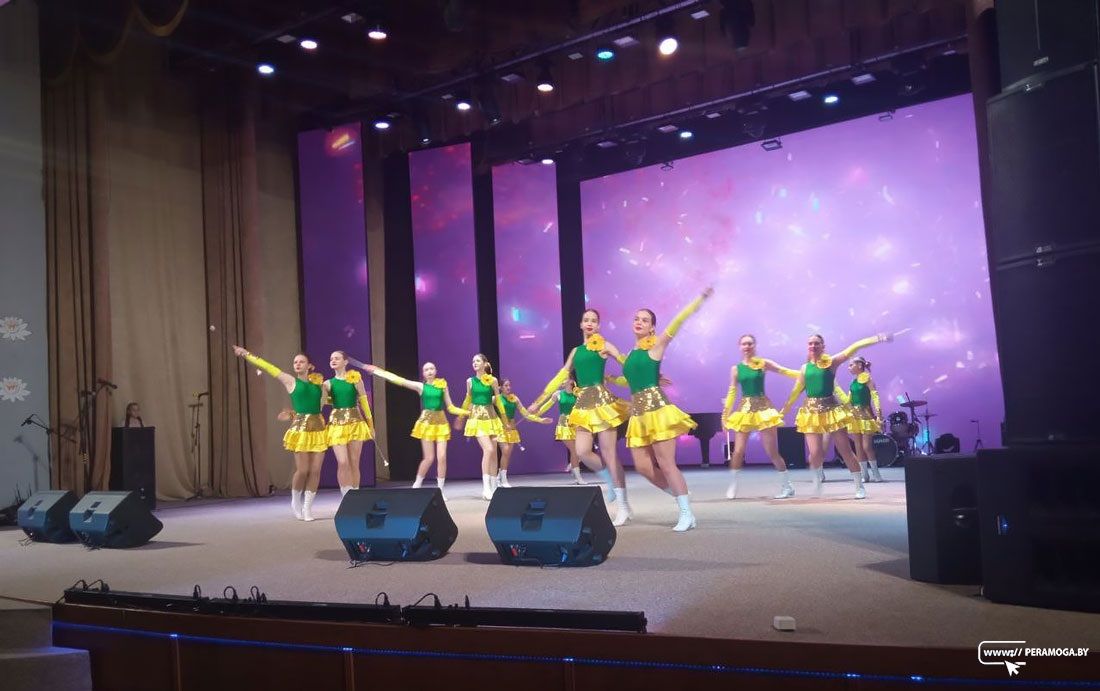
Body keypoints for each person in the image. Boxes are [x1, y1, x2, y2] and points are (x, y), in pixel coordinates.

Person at [602, 287, 714, 531]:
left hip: (658, 411)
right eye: (636, 318)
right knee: (642, 467)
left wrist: (700, 299)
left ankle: (686, 513)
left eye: (645, 320)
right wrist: (611, 378)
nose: (639, 322)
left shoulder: (657, 346)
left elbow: (678, 320)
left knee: (666, 464)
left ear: (652, 327)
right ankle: (681, 496)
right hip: (638, 415)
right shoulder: (631, 354)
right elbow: (630, 379)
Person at [528, 309, 630, 524]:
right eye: (586, 320)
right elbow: (561, 376)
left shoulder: (604, 345)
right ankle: (609, 481)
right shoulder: (576, 351)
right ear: (581, 324)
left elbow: (626, 363)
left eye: (594, 321)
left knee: (609, 454)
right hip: (583, 404)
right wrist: (539, 401)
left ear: (598, 326)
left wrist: (643, 375)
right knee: (582, 452)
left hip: (602, 402)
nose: (590, 323)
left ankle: (623, 506)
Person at [779, 333, 893, 498]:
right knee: (815, 453)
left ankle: (859, 486)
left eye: (816, 343)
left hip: (832, 411)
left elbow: (854, 347)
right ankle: (817, 483)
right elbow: (795, 392)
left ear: (823, 346)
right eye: (810, 343)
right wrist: (783, 412)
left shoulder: (831, 363)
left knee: (845, 450)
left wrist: (878, 339)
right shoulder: (804, 368)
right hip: (811, 414)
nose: (813, 346)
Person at [233, 346, 327, 520]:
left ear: (310, 366)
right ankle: (295, 501)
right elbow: (269, 367)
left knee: (315, 471)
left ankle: (307, 508)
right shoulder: (291, 381)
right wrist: (246, 354)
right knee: (303, 470)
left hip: (319, 429)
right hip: (300, 430)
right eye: (295, 362)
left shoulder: (319, 384)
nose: (297, 364)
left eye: (301, 362)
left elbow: (325, 402)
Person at [365, 362, 468, 500]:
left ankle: (440, 490)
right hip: (426, 424)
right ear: (423, 373)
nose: (429, 371)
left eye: (432, 368)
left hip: (441, 424)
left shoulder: (443, 385)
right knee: (429, 458)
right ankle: (417, 484)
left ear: (436, 370)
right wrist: (378, 371)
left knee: (442, 457)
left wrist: (466, 412)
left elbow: (450, 407)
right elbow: (400, 380)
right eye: (426, 369)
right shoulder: (421, 386)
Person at [720, 334, 801, 500]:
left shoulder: (764, 363)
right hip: (745, 411)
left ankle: (787, 486)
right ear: (740, 347)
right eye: (744, 344)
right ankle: (733, 483)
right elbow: (732, 392)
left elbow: (785, 371)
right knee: (738, 451)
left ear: (754, 345)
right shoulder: (736, 369)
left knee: (772, 451)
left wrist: (806, 374)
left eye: (750, 343)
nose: (747, 346)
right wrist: (725, 415)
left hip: (764, 411)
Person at [453, 353, 507, 500]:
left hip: (491, 418)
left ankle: (494, 486)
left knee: (494, 452)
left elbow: (498, 401)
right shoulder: (470, 381)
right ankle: (486, 488)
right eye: (473, 361)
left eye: (477, 361)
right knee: (488, 449)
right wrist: (461, 416)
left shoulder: (493, 380)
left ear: (484, 363)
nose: (475, 363)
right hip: (477, 418)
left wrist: (504, 418)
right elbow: (467, 400)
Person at [324, 351, 374, 497]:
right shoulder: (327, 384)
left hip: (355, 424)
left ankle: (355, 495)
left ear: (345, 362)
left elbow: (364, 403)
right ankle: (346, 495)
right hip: (337, 425)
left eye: (337, 358)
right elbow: (321, 402)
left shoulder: (355, 379)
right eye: (331, 358)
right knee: (343, 462)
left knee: (354, 462)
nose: (333, 360)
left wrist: (371, 425)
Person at [834, 356, 885, 483]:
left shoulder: (868, 379)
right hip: (854, 417)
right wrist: (837, 390)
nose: (849, 367)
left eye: (851, 365)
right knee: (858, 447)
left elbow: (875, 397)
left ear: (860, 365)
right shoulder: (853, 382)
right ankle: (864, 475)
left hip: (866, 415)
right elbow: (849, 401)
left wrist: (879, 414)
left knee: (867, 446)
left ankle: (876, 473)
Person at [496, 378, 552, 487]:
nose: (508, 387)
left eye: (509, 385)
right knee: (505, 451)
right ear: (500, 387)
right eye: (506, 385)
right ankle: (503, 479)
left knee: (507, 455)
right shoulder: (496, 398)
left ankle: (501, 477)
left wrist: (540, 420)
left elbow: (525, 414)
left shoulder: (515, 399)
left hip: (512, 430)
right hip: (501, 428)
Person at [535, 378, 587, 484]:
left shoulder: (577, 393)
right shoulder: (558, 394)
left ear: (571, 381)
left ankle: (573, 466)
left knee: (581, 450)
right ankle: (578, 477)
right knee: (574, 451)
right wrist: (536, 414)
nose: (563, 381)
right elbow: (547, 405)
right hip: (564, 425)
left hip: (576, 424)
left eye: (565, 379)